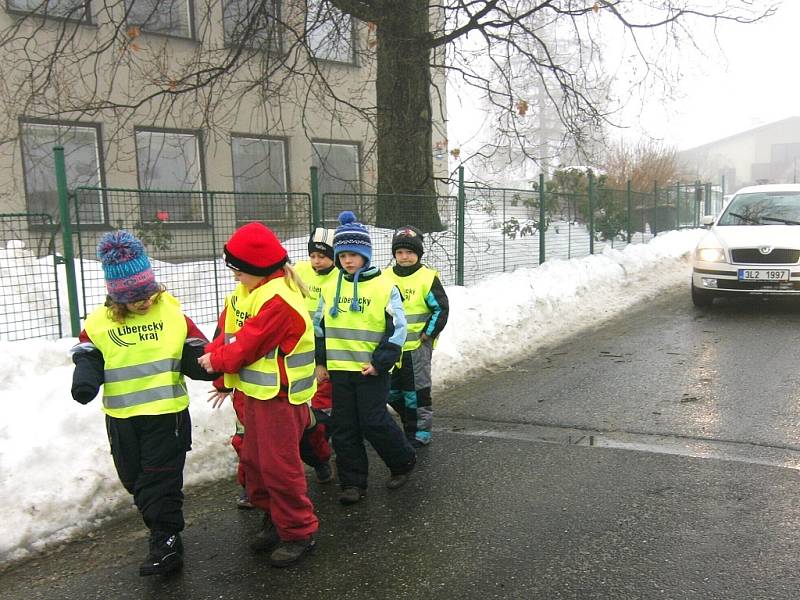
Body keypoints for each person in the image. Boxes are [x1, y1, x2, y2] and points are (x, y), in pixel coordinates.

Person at [70, 230, 216, 577]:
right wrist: (85, 380)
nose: (145, 301)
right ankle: (161, 529)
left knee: (161, 480)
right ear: (117, 296)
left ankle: (166, 540)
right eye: (135, 297)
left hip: (166, 415)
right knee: (134, 480)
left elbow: (195, 347)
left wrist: (207, 366)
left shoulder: (172, 313)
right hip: (122, 417)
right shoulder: (99, 322)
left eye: (148, 292)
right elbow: (88, 355)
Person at [198, 222, 319, 568]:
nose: (234, 277)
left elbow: (247, 345)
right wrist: (222, 373)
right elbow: (228, 332)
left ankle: (298, 531)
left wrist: (217, 361)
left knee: (280, 468)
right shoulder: (248, 293)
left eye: (238, 270)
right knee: (254, 463)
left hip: (279, 400)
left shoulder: (279, 299)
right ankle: (274, 520)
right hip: (252, 395)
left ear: (257, 268)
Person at [314, 211, 416, 505]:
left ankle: (403, 461)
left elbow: (397, 329)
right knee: (345, 427)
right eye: (342, 254)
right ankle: (353, 482)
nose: (347, 260)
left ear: (365, 255)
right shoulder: (329, 287)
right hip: (339, 370)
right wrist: (321, 362)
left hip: (371, 369)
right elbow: (319, 327)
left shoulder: (385, 286)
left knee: (373, 421)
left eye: (354, 255)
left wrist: (381, 362)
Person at [385, 225, 449, 447]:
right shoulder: (384, 277)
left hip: (417, 348)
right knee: (391, 391)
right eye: (400, 252)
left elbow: (440, 308)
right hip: (392, 349)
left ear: (418, 254)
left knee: (416, 392)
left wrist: (428, 333)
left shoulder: (427, 278)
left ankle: (419, 431)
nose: (405, 257)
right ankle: (407, 419)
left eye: (410, 252)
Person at [293, 227, 339, 484]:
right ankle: (318, 453)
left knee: (321, 409)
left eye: (322, 256)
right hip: (298, 349)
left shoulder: (339, 278)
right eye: (312, 256)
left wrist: (323, 360)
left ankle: (322, 451)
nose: (316, 261)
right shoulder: (299, 271)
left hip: (325, 353)